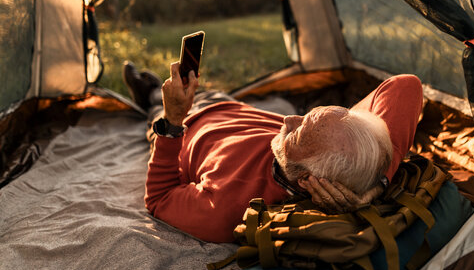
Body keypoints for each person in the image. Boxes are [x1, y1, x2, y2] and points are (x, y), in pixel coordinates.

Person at [123, 61, 423, 243]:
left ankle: (147, 92)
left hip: (185, 124)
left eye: (300, 132)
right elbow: (405, 86)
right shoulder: (348, 153)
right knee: (205, 91)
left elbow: (159, 198)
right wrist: (376, 185)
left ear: (306, 179)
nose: (290, 119)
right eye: (309, 116)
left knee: (156, 102)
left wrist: (173, 120)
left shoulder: (228, 208)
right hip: (230, 105)